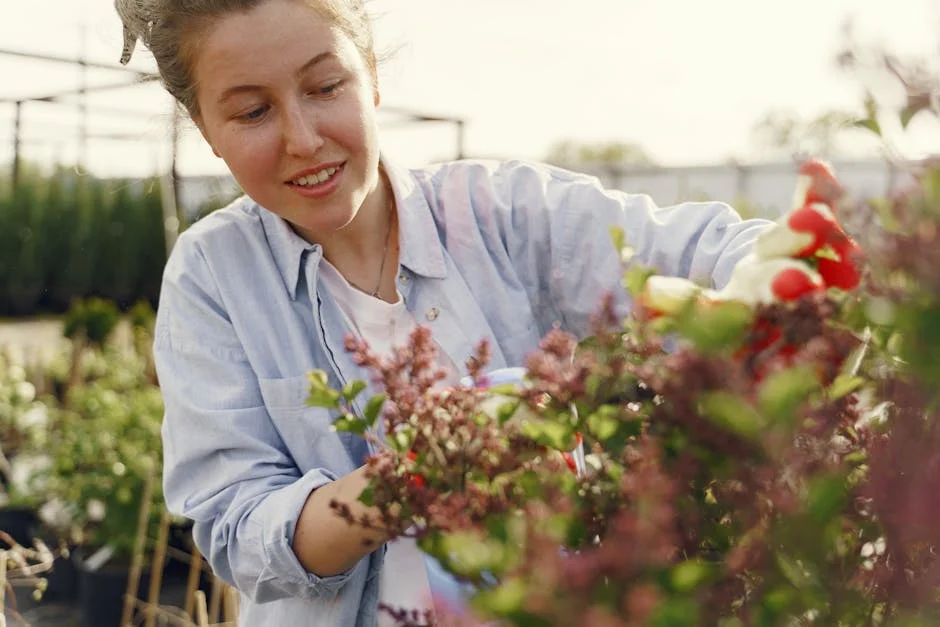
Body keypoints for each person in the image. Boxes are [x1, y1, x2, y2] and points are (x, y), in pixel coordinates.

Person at [114, 0, 772, 624]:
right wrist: (415, 472)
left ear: (368, 74)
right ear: (205, 128)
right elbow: (239, 527)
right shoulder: (215, 277)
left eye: (323, 87)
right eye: (253, 112)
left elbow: (719, 251)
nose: (304, 139)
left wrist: (773, 281)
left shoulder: (503, 214)